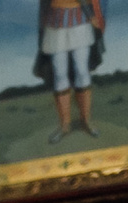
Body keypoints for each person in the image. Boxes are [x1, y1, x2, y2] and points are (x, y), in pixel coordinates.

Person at [37, 0, 107, 141]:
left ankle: (86, 121)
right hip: (55, 20)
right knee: (60, 74)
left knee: (82, 72)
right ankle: (64, 126)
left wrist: (92, 15)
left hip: (80, 19)